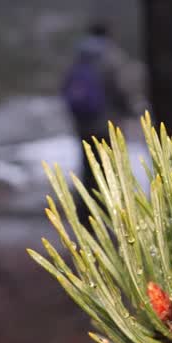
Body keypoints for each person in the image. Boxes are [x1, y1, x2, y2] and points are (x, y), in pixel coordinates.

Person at [61, 22, 138, 225]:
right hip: (108, 125)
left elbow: (66, 87)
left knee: (88, 168)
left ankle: (86, 215)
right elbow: (122, 89)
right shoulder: (112, 58)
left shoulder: (78, 57)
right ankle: (110, 216)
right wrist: (130, 111)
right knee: (110, 169)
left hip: (84, 124)